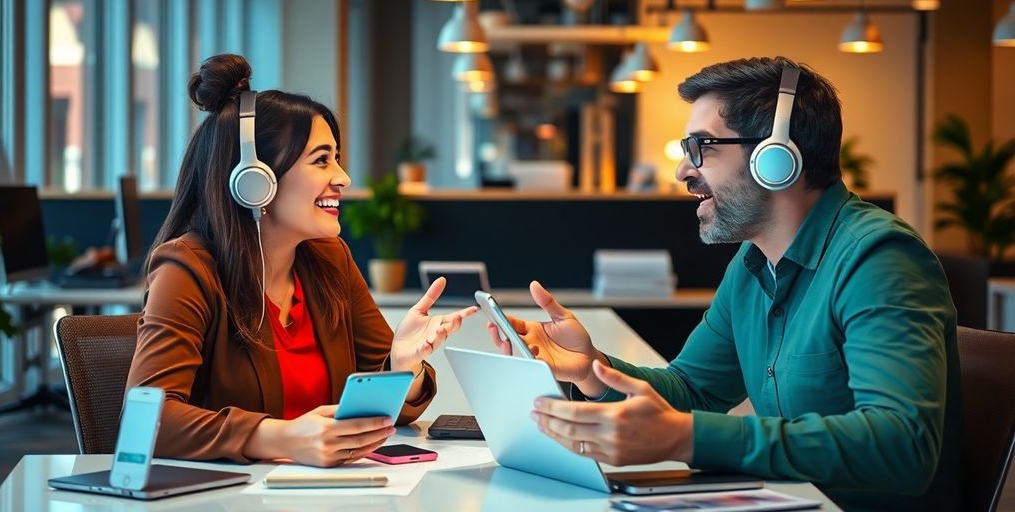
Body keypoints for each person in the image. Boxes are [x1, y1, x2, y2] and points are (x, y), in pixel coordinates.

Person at [489, 57, 960, 511]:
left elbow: (902, 447)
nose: (683, 171)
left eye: (702, 148)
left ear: (776, 158)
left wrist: (686, 437)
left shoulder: (879, 260)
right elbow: (694, 389)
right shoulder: (753, 263)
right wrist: (590, 369)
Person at [127, 54, 477, 467]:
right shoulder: (188, 270)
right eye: (322, 160)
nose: (343, 177)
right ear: (255, 179)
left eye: (337, 158)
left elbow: (388, 415)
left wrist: (404, 367)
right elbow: (147, 420)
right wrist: (280, 437)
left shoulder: (329, 260)